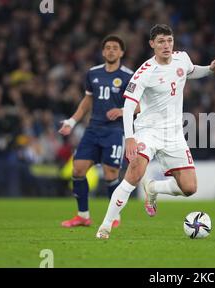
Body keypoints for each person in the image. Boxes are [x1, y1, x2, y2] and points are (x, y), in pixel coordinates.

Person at [96, 24, 215, 239]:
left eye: (169, 40)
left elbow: (192, 72)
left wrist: (211, 69)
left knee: (189, 188)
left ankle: (153, 188)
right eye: (161, 42)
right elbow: (128, 107)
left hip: (173, 134)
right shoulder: (144, 73)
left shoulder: (181, 58)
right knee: (134, 173)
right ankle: (106, 226)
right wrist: (129, 138)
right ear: (152, 45)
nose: (166, 45)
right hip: (148, 131)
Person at [58, 35, 134, 228]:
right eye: (107, 47)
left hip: (115, 131)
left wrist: (122, 111)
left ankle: (114, 217)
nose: (111, 51)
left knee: (110, 174)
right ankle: (83, 216)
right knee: (78, 169)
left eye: (115, 48)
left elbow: (141, 105)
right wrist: (72, 121)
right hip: (93, 129)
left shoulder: (129, 76)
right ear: (102, 52)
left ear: (122, 52)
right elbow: (87, 101)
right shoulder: (93, 73)